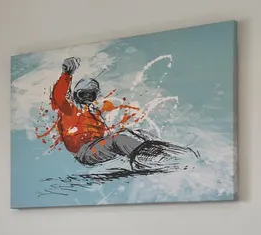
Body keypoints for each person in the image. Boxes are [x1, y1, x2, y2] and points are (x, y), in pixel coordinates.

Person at [49, 57, 190, 169]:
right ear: (76, 94)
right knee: (118, 140)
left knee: (135, 132)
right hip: (84, 152)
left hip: (95, 146)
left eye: (90, 95)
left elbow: (101, 135)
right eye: (83, 95)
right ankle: (149, 158)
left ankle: (163, 152)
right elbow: (58, 96)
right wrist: (67, 74)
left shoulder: (93, 112)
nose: (87, 99)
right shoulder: (69, 109)